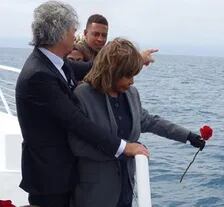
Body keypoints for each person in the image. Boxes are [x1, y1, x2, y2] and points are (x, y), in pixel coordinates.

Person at [15, 1, 157, 207]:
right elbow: (76, 121)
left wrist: (134, 60)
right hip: (50, 177)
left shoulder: (54, 63)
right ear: (60, 33)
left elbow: (98, 67)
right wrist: (124, 147)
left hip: (62, 171)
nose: (75, 36)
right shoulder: (39, 75)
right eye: (73, 30)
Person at [69, 38, 207, 207]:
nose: (132, 81)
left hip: (125, 189)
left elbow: (149, 121)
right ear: (112, 71)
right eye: (127, 75)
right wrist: (124, 149)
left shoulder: (132, 94)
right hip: (95, 194)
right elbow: (77, 145)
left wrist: (188, 136)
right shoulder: (82, 95)